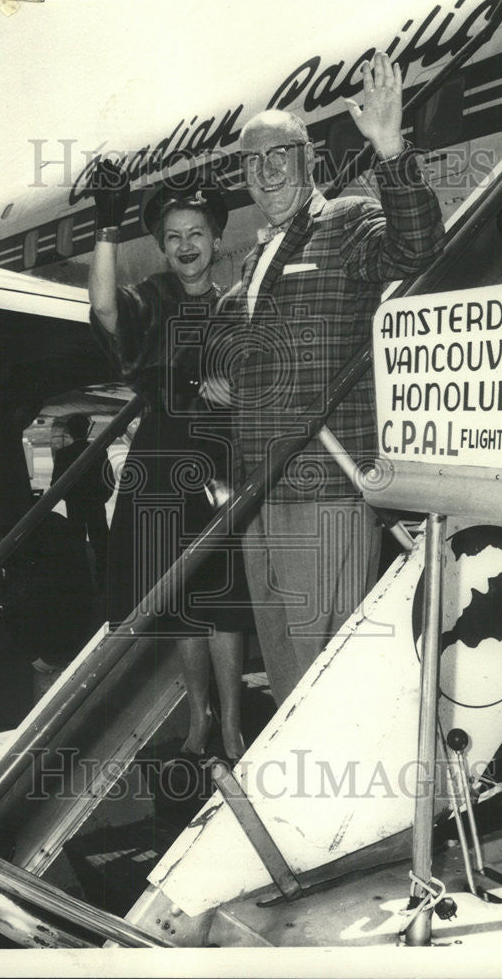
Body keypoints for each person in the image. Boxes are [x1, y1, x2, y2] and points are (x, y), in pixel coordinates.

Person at [223, 53, 445, 706]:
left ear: (308, 159)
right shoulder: (258, 255)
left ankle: (344, 796)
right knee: (289, 669)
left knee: (327, 668)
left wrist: (389, 149)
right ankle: (300, 793)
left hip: (323, 489)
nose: (264, 173)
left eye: (278, 156)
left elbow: (417, 249)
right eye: (251, 161)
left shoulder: (345, 220)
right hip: (261, 493)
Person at [88, 165, 249, 762]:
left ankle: (232, 725)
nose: (186, 246)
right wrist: (108, 224)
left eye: (197, 234)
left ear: (215, 241)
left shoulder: (240, 303)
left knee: (224, 598)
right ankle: (199, 719)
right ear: (162, 246)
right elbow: (105, 308)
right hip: (162, 458)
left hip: (223, 459)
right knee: (181, 600)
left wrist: (239, 391)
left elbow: (268, 378)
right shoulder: (151, 300)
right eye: (174, 236)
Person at [50, 413, 111, 590]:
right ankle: (104, 582)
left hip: (75, 506)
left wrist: (70, 497)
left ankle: (82, 584)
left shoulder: (63, 454)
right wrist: (101, 499)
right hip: (96, 506)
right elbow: (108, 480)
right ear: (86, 429)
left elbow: (56, 484)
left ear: (69, 431)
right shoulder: (99, 451)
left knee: (76, 547)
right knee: (101, 546)